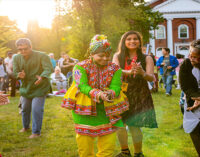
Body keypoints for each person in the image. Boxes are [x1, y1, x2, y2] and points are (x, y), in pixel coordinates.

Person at [62, 35, 129, 157]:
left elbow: (116, 87)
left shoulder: (115, 69)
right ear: (91, 54)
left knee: (107, 149)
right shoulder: (80, 67)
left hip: (108, 110)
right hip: (84, 109)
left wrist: (110, 93)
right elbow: (82, 86)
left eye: (107, 56)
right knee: (85, 149)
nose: (105, 58)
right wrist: (98, 94)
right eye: (101, 56)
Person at [113, 31, 157, 157]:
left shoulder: (147, 58)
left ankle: (138, 153)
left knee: (134, 125)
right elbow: (115, 71)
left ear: (139, 42)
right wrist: (129, 71)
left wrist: (142, 73)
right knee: (120, 124)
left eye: (135, 39)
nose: (132, 41)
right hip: (122, 93)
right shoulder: (118, 56)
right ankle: (125, 152)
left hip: (139, 93)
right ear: (124, 42)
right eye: (129, 39)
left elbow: (151, 78)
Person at [13, 38, 53, 138]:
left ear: (31, 47)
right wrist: (19, 75)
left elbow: (48, 68)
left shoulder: (42, 55)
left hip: (40, 86)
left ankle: (36, 132)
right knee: (25, 108)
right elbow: (15, 71)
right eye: (20, 49)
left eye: (25, 49)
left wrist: (42, 76)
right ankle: (26, 127)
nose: (23, 51)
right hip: (26, 87)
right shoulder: (16, 58)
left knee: (36, 109)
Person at [179, 39, 200, 156]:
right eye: (192, 56)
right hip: (193, 107)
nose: (194, 60)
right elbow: (186, 87)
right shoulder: (186, 65)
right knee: (196, 131)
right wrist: (197, 97)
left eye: (199, 58)